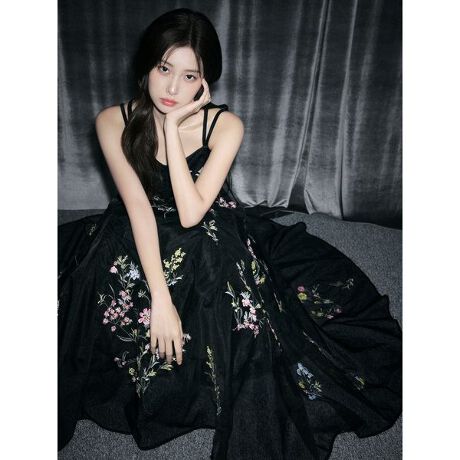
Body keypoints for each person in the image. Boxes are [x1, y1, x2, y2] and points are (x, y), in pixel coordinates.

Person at [58, 7, 402, 459]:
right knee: (100, 266)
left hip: (204, 222)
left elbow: (190, 214)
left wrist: (172, 127)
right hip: (137, 222)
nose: (173, 89)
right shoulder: (112, 120)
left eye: (189, 76)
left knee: (212, 261)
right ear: (146, 67)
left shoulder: (226, 126)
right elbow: (138, 207)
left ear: (205, 82)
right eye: (164, 69)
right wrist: (160, 299)